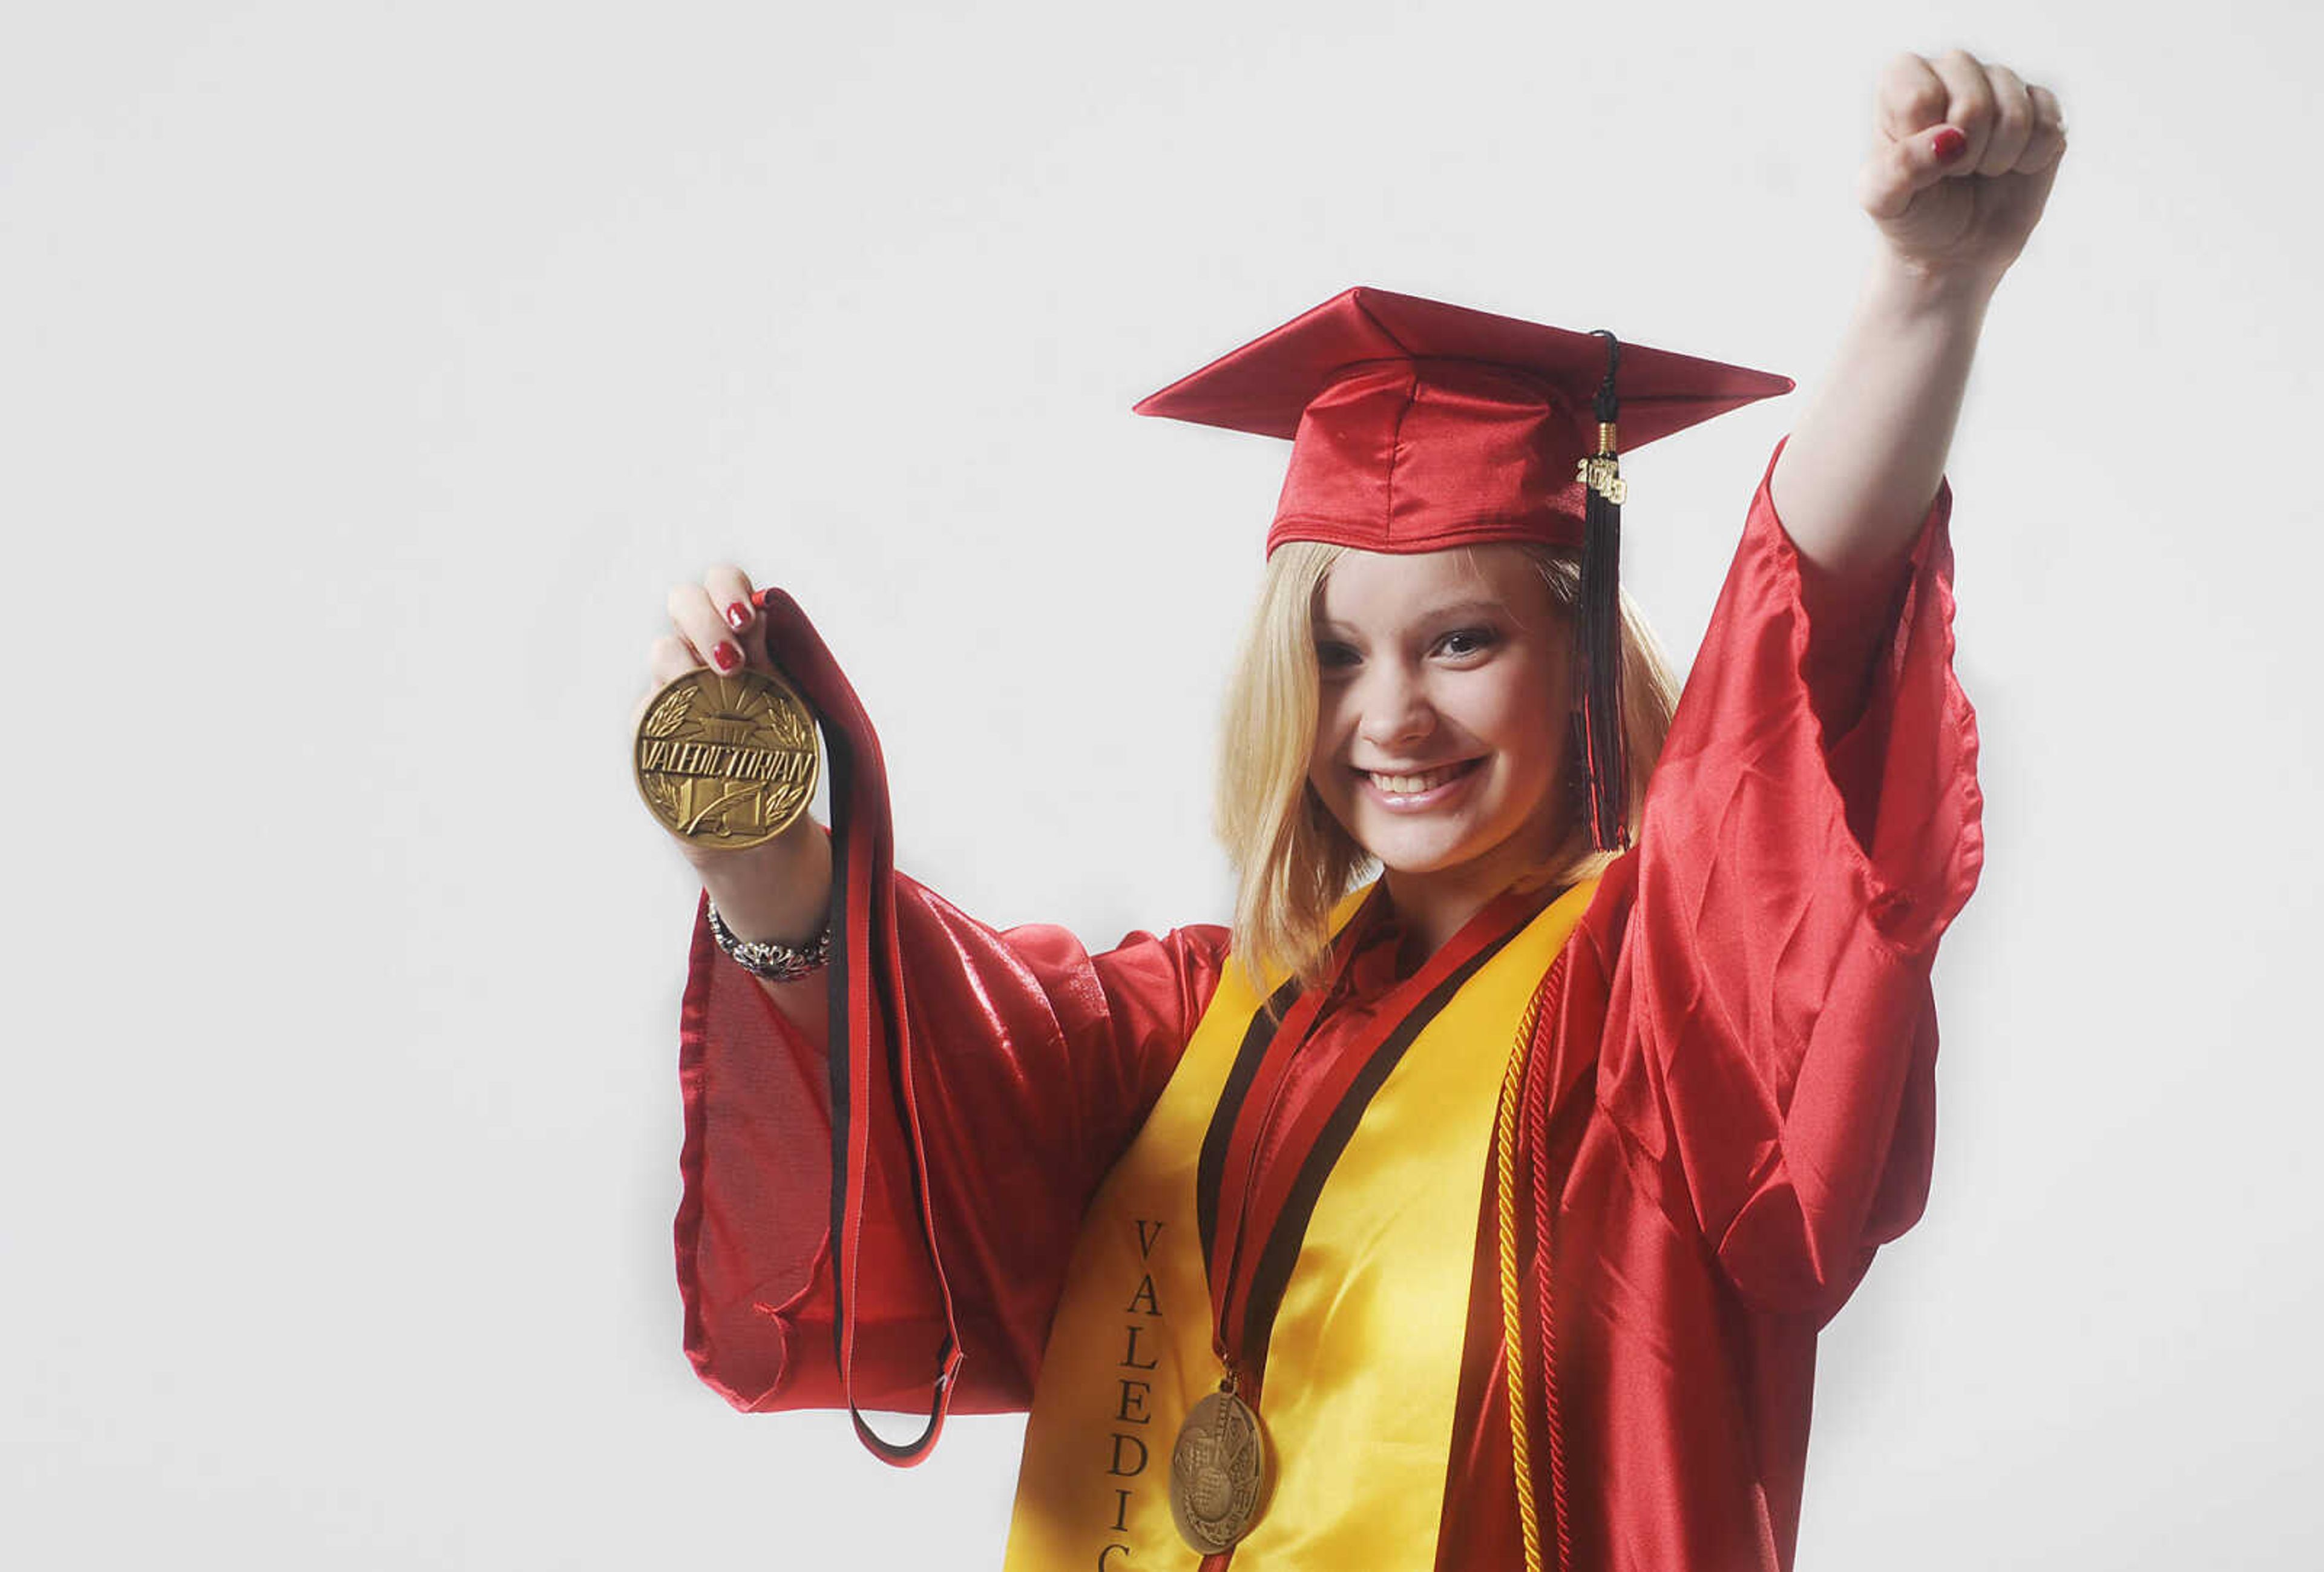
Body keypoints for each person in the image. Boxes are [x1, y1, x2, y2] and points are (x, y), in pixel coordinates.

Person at [640, 49, 2063, 1572]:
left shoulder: (1658, 1004)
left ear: (1582, 661)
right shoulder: (1197, 1016)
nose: (1388, 718)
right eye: (1332, 655)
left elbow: (1803, 656)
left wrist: (1927, 293)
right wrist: (771, 872)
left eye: (1463, 640)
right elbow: (952, 1062)